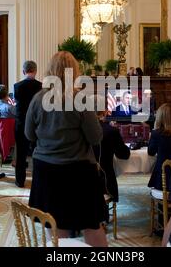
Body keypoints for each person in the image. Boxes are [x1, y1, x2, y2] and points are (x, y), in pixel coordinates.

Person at [25, 51, 108, 247]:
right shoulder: (80, 99)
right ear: (75, 71)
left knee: (55, 223)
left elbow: (29, 134)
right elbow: (95, 137)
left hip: (46, 169)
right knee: (91, 224)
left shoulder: (38, 99)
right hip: (78, 170)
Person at [92, 97, 130, 203]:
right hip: (105, 184)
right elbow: (123, 155)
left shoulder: (79, 130)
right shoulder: (112, 131)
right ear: (104, 111)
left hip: (82, 183)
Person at [13, 61, 42, 188]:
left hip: (21, 124)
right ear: (35, 71)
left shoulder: (17, 86)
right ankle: (38, 180)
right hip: (37, 124)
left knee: (21, 154)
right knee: (38, 152)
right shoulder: (41, 86)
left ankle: (20, 181)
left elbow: (17, 103)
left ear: (24, 72)